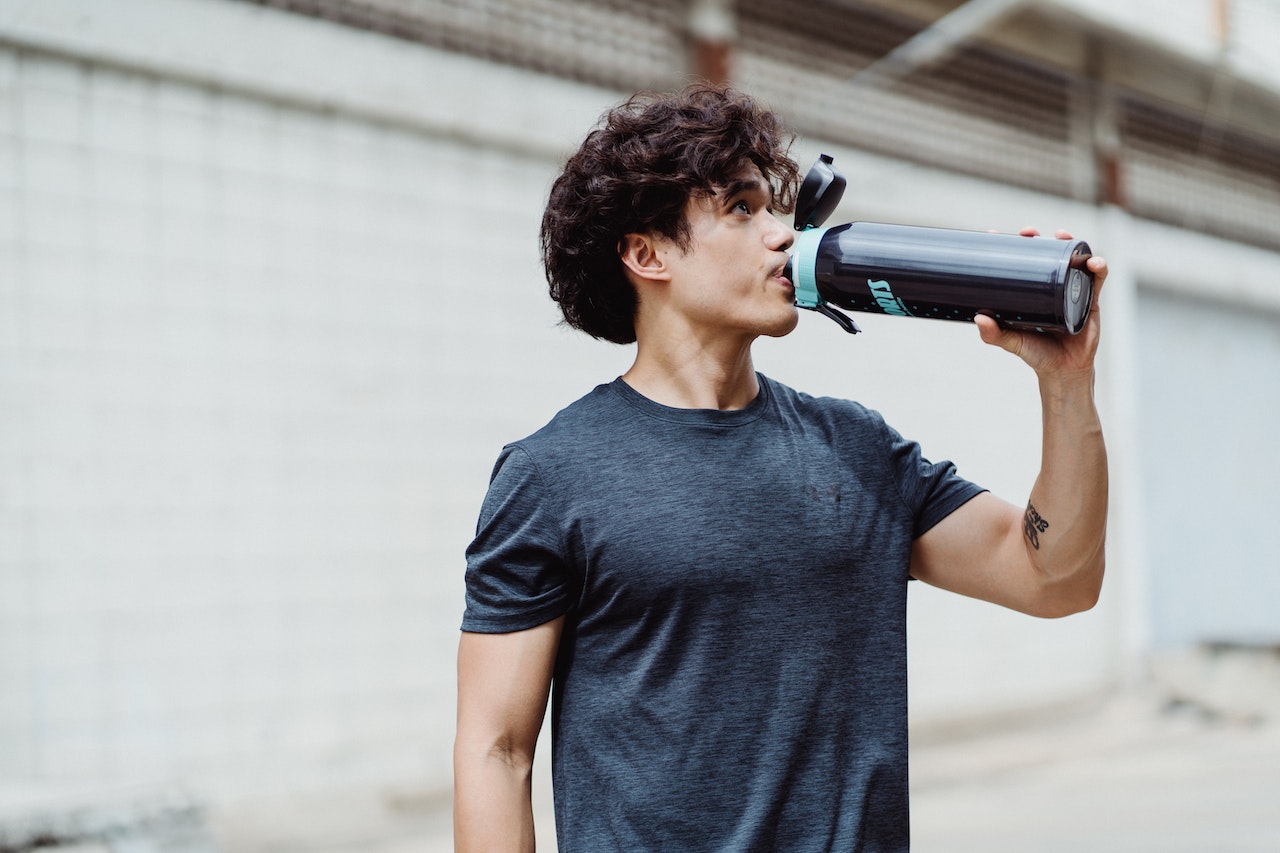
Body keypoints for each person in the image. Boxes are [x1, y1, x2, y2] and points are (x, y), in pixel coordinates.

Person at [453, 83, 1108, 852]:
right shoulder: (553, 474)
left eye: (777, 208)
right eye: (740, 208)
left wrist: (1066, 385)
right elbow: (497, 750)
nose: (781, 235)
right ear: (646, 252)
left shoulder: (857, 450)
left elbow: (1055, 577)